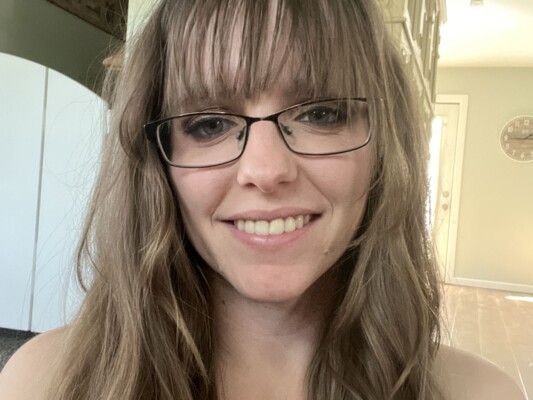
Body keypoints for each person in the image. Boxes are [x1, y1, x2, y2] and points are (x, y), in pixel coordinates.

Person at [0, 0, 526, 399]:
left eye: (320, 113)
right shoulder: (43, 382)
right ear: (158, 164)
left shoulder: (483, 393)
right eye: (209, 123)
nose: (266, 170)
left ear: (383, 148)